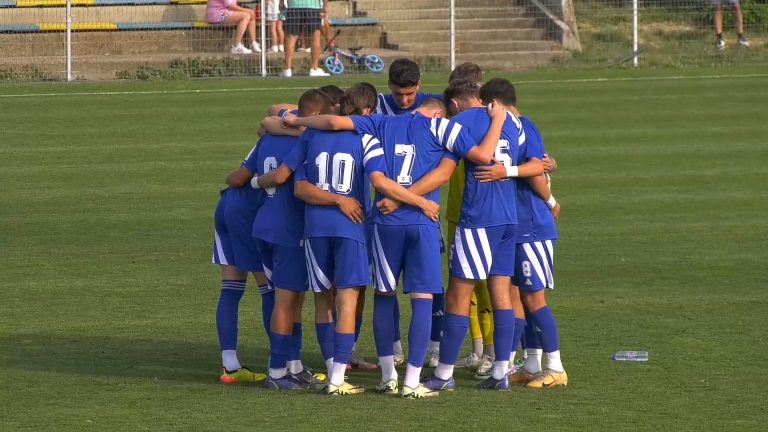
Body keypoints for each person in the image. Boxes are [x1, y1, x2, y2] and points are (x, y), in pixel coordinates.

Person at [284, 96, 507, 398]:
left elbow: (335, 123)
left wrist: (296, 120)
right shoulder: (443, 128)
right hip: (423, 223)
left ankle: (388, 377)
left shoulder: (381, 124)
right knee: (422, 300)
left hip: (385, 223)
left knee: (384, 295)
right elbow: (479, 158)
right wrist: (498, 119)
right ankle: (412, 382)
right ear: (438, 113)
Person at [292, 83, 440, 395]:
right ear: (369, 111)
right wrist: (419, 201)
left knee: (322, 300)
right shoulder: (367, 138)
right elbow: (379, 181)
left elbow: (298, 186)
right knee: (348, 300)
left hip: (314, 227)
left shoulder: (312, 135)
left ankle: (332, 369)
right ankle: (338, 378)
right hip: (353, 225)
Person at [422, 79, 544, 392]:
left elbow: (447, 165)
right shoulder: (515, 122)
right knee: (501, 293)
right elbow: (535, 164)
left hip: (478, 218)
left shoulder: (462, 121)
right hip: (508, 218)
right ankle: (501, 372)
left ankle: (443, 374)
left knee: (458, 294)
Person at [473, 80, 567, 388]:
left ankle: (556, 367)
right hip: (514, 226)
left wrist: (549, 200)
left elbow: (537, 168)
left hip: (532, 227)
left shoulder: (523, 125)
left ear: (495, 103)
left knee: (534, 298)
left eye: (485, 105)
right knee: (517, 298)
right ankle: (530, 363)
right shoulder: (506, 128)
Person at [250, 89, 334, 390]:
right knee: (286, 301)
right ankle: (276, 372)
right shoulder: (308, 141)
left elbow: (267, 121)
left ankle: (293, 365)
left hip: (265, 225)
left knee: (293, 298)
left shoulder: (268, 136)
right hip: (289, 231)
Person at [211, 149, 273, 384]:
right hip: (247, 213)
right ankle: (281, 362)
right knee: (270, 289)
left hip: (226, 204)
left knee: (231, 287)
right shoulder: (300, 141)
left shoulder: (266, 137)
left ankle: (229, 364)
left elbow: (238, 177)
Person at [376, 59, 443, 116]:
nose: (404, 101)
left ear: (418, 85)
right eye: (398, 94)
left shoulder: (436, 103)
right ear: (389, 85)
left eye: (409, 94)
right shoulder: (377, 105)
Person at [280, 0, 330, 77]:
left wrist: (281, 2)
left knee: (291, 38)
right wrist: (325, 5)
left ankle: (287, 69)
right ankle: (314, 68)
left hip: (294, 6)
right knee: (315, 37)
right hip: (313, 7)